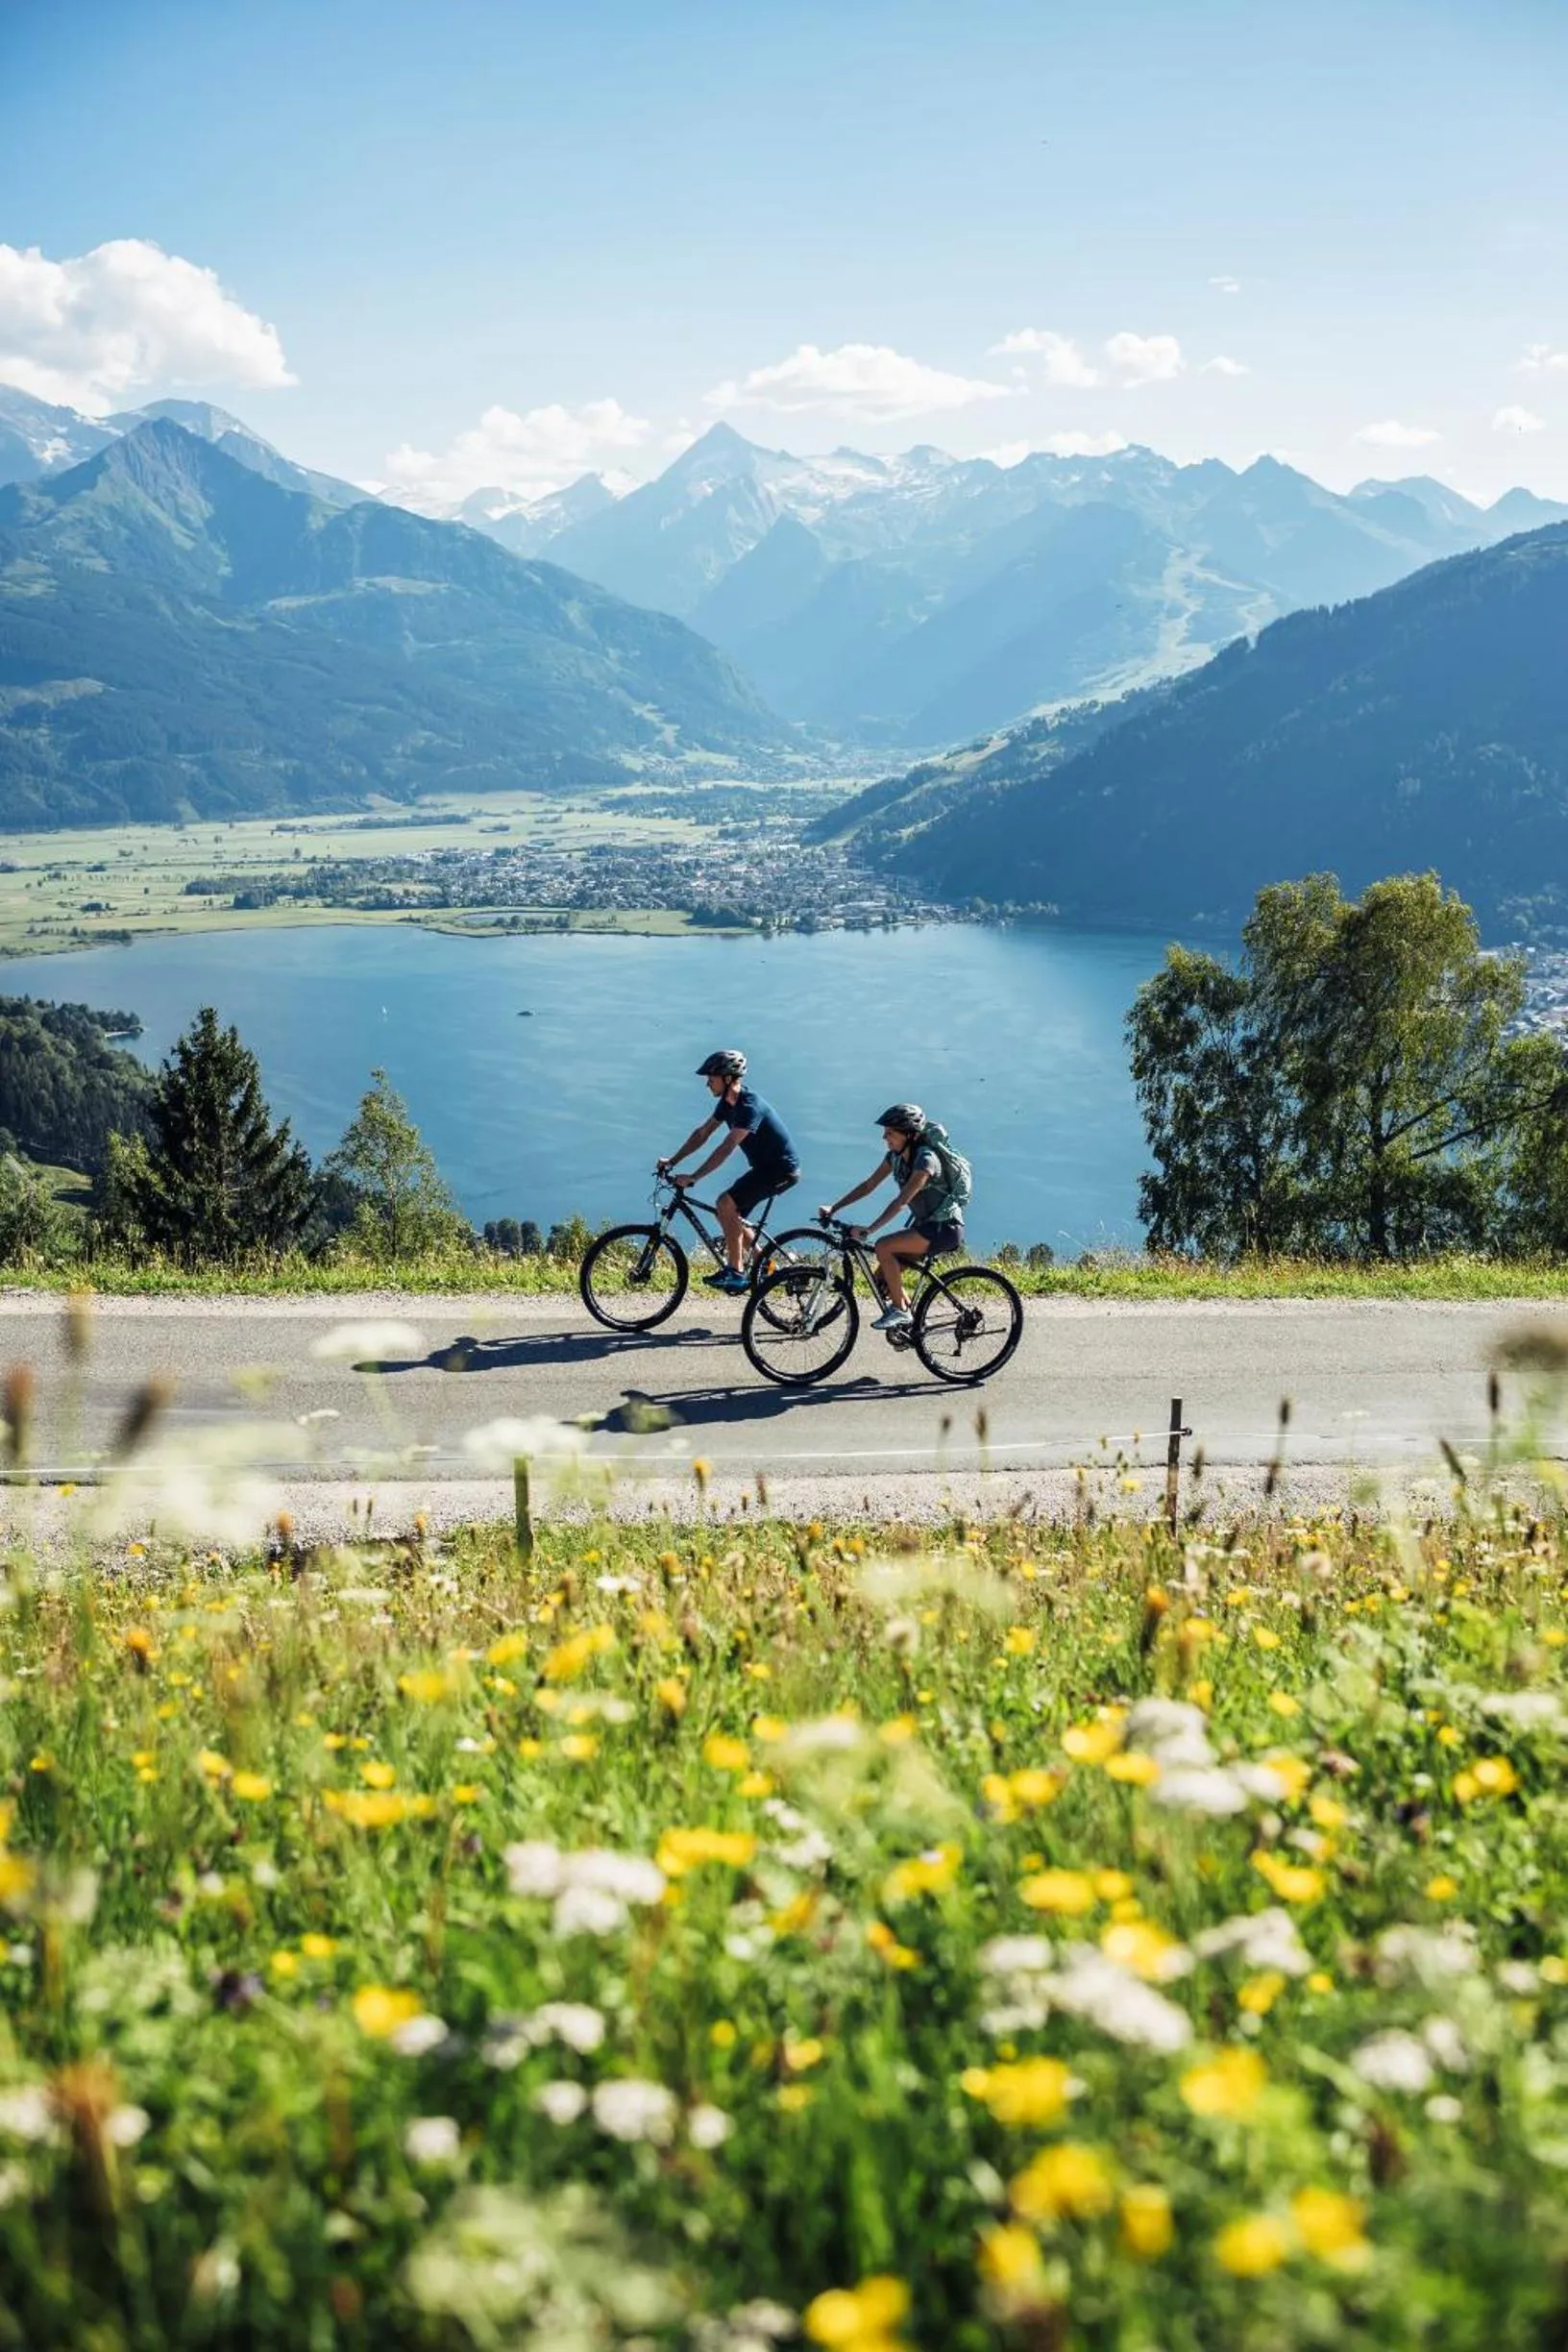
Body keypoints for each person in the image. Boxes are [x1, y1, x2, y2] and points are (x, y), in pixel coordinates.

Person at [659, 1050, 800, 1294]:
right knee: (725, 1212)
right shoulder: (727, 1104)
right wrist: (673, 1160)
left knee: (726, 1204)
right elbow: (702, 1134)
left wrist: (694, 1177)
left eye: (711, 1078)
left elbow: (726, 1147)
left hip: (781, 1171)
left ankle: (736, 1272)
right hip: (764, 1169)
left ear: (727, 1078)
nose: (707, 1083)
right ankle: (764, 1264)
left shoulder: (749, 1106)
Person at [821, 1102, 966, 1332]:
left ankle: (901, 1312)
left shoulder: (926, 1161)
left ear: (909, 1134)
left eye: (890, 1133)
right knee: (882, 1282)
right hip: (925, 1227)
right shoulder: (895, 1157)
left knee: (883, 1247)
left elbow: (901, 1202)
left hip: (943, 1229)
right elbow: (868, 1185)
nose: (884, 1137)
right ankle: (913, 1326)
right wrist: (835, 1208)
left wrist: (869, 1230)